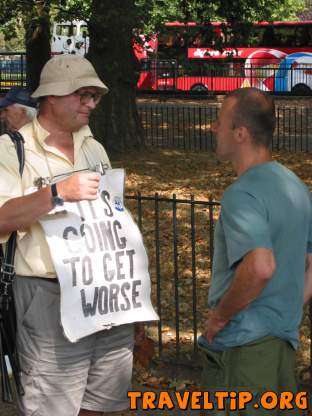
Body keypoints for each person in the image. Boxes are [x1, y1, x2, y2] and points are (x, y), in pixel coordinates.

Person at [0, 55, 135, 416]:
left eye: (95, 96)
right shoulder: (12, 150)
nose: (91, 103)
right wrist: (57, 193)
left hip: (106, 294)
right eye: (83, 95)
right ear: (52, 97)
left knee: (104, 401)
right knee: (54, 407)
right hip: (48, 298)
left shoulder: (94, 147)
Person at [198, 87, 312, 415]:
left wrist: (220, 318)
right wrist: (284, 307)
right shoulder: (295, 187)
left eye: (219, 122)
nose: (212, 128)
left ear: (240, 134)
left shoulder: (241, 194)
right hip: (282, 346)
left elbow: (261, 267)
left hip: (243, 352)